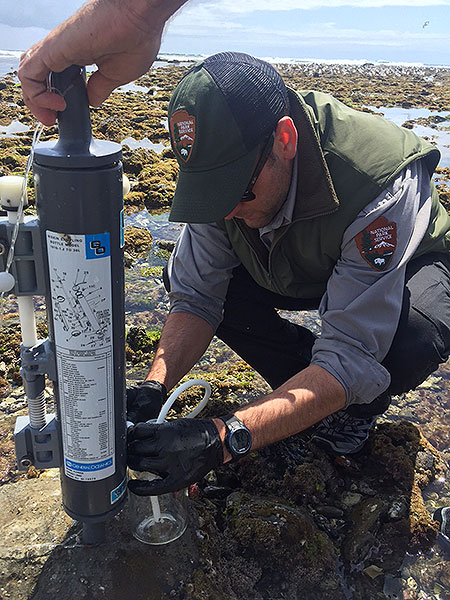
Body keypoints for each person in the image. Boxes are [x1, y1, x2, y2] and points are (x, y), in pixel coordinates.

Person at [18, 5, 450, 499]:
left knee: (410, 339)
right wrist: (155, 385)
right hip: (298, 261)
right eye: (211, 196)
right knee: (192, 281)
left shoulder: (377, 182)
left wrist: (226, 438)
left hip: (407, 267)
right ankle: (310, 391)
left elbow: (352, 353)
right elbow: (198, 297)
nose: (225, 212)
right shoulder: (223, 176)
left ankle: (352, 408)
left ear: (284, 140)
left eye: (237, 193)